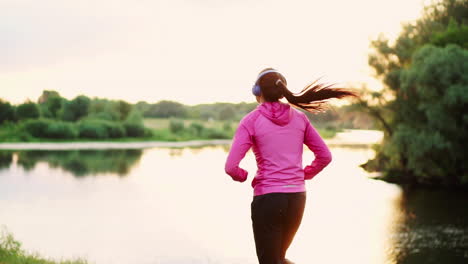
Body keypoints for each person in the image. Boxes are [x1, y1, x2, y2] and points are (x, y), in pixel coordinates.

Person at [224, 68, 357, 264]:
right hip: (297, 199)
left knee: (271, 261)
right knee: (279, 259)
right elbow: (325, 156)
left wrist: (243, 176)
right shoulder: (300, 118)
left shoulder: (250, 121)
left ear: (256, 91)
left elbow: (231, 167)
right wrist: (304, 174)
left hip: (268, 200)